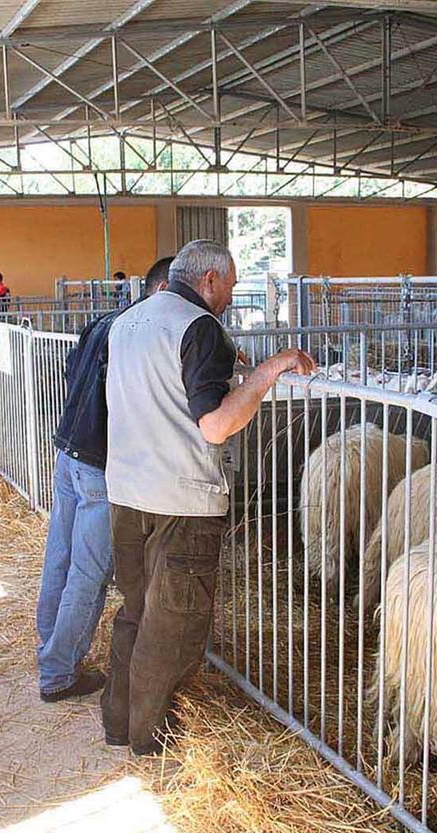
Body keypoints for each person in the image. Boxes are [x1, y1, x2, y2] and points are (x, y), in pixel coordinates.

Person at [100, 240, 315, 755]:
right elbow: (216, 426)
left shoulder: (128, 320)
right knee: (172, 622)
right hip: (181, 498)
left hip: (127, 492)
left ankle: (118, 720)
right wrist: (269, 371)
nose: (231, 295)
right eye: (233, 284)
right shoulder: (200, 328)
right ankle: (150, 736)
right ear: (211, 279)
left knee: (135, 608)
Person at [36, 256, 173, 703]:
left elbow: (72, 373)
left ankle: (49, 647)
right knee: (88, 573)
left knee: (60, 555)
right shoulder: (143, 332)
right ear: (164, 289)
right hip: (100, 461)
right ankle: (58, 672)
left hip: (70, 449)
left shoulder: (103, 322)